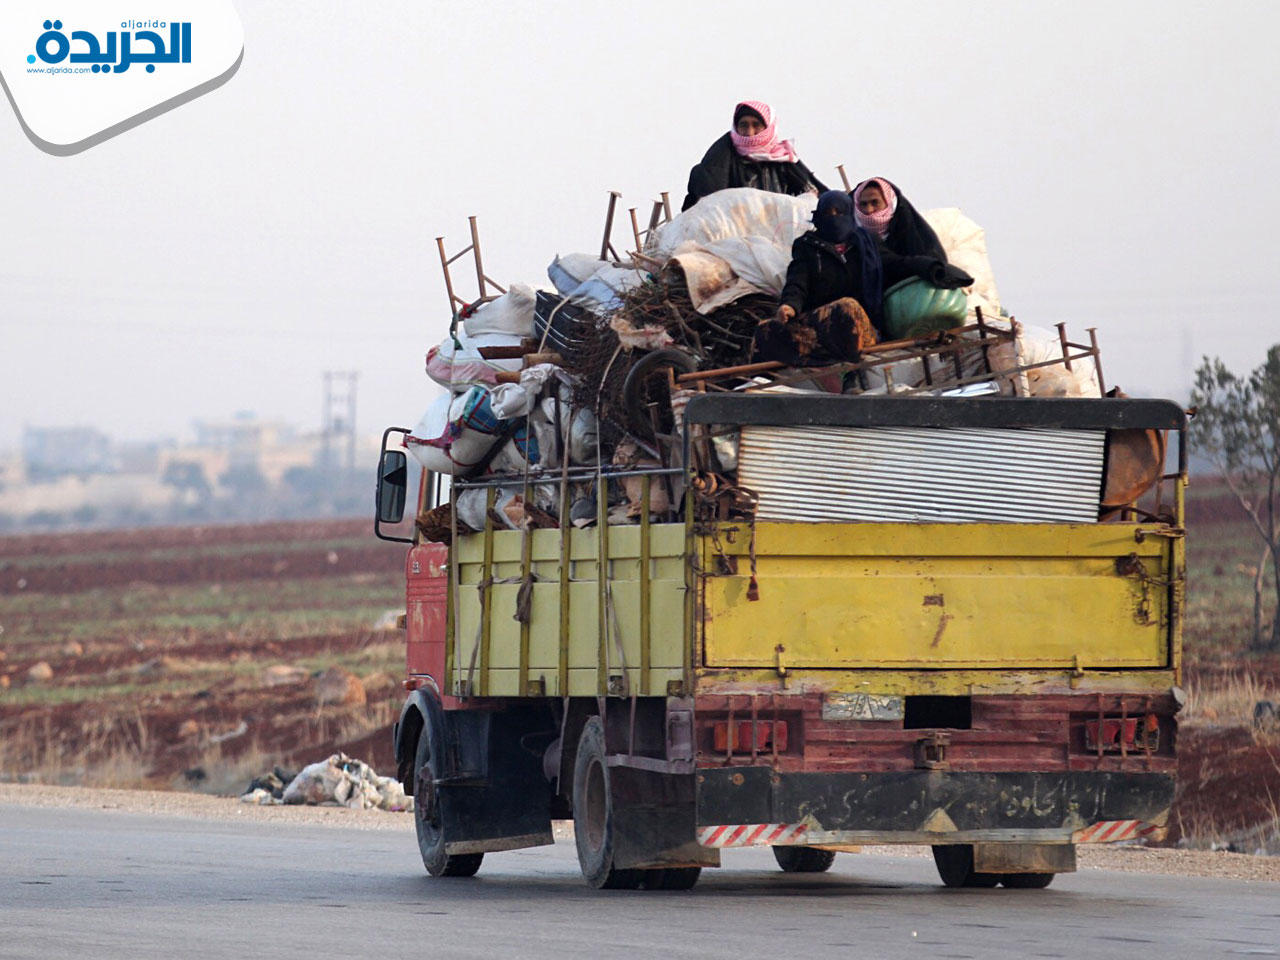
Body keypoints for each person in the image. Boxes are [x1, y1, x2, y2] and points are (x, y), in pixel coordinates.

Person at [754, 190, 971, 366]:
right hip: (821, 325)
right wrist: (789, 305)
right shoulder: (808, 248)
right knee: (765, 331)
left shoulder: (866, 244)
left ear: (849, 215)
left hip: (862, 325)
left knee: (849, 309)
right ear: (819, 217)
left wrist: (934, 268)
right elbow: (797, 281)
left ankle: (850, 372)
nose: (834, 218)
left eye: (839, 212)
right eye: (828, 213)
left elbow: (898, 264)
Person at [681, 101, 827, 211]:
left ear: (768, 127)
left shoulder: (783, 159)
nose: (750, 132)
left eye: (756, 125)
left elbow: (817, 194)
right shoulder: (720, 157)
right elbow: (706, 204)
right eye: (743, 125)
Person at [852, 177, 948, 261]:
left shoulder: (915, 235)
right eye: (863, 204)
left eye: (875, 203)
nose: (869, 210)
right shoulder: (851, 239)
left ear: (890, 204)